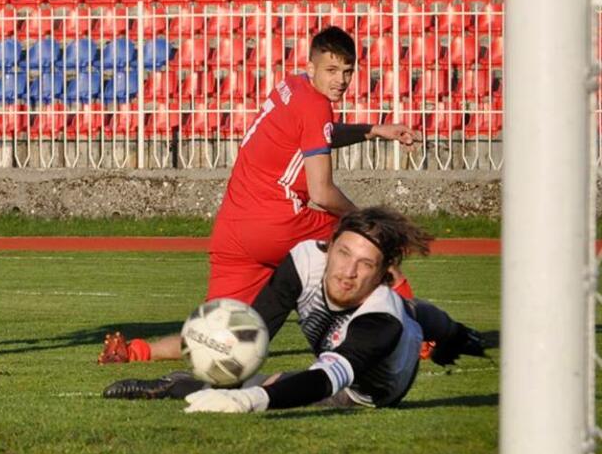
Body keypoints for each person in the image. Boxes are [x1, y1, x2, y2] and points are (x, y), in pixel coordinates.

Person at [98, 27, 420, 364]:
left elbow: (315, 134)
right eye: (331, 70)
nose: (340, 80)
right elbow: (322, 193)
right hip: (278, 221)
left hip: (234, 228)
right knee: (374, 248)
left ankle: (135, 351)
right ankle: (420, 338)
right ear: (311, 68)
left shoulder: (291, 87)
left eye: (347, 71)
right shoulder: (316, 106)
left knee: (217, 332)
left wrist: (372, 130)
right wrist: (363, 222)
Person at [103, 207, 486, 411]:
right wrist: (213, 360)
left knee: (414, 318)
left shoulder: (380, 317)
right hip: (373, 331)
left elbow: (325, 380)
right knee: (414, 312)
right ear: (330, 244)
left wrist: (251, 400)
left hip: (368, 389)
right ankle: (458, 336)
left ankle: (459, 336)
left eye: (365, 264)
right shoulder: (305, 260)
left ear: (385, 273)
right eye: (344, 253)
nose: (348, 272)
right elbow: (254, 328)